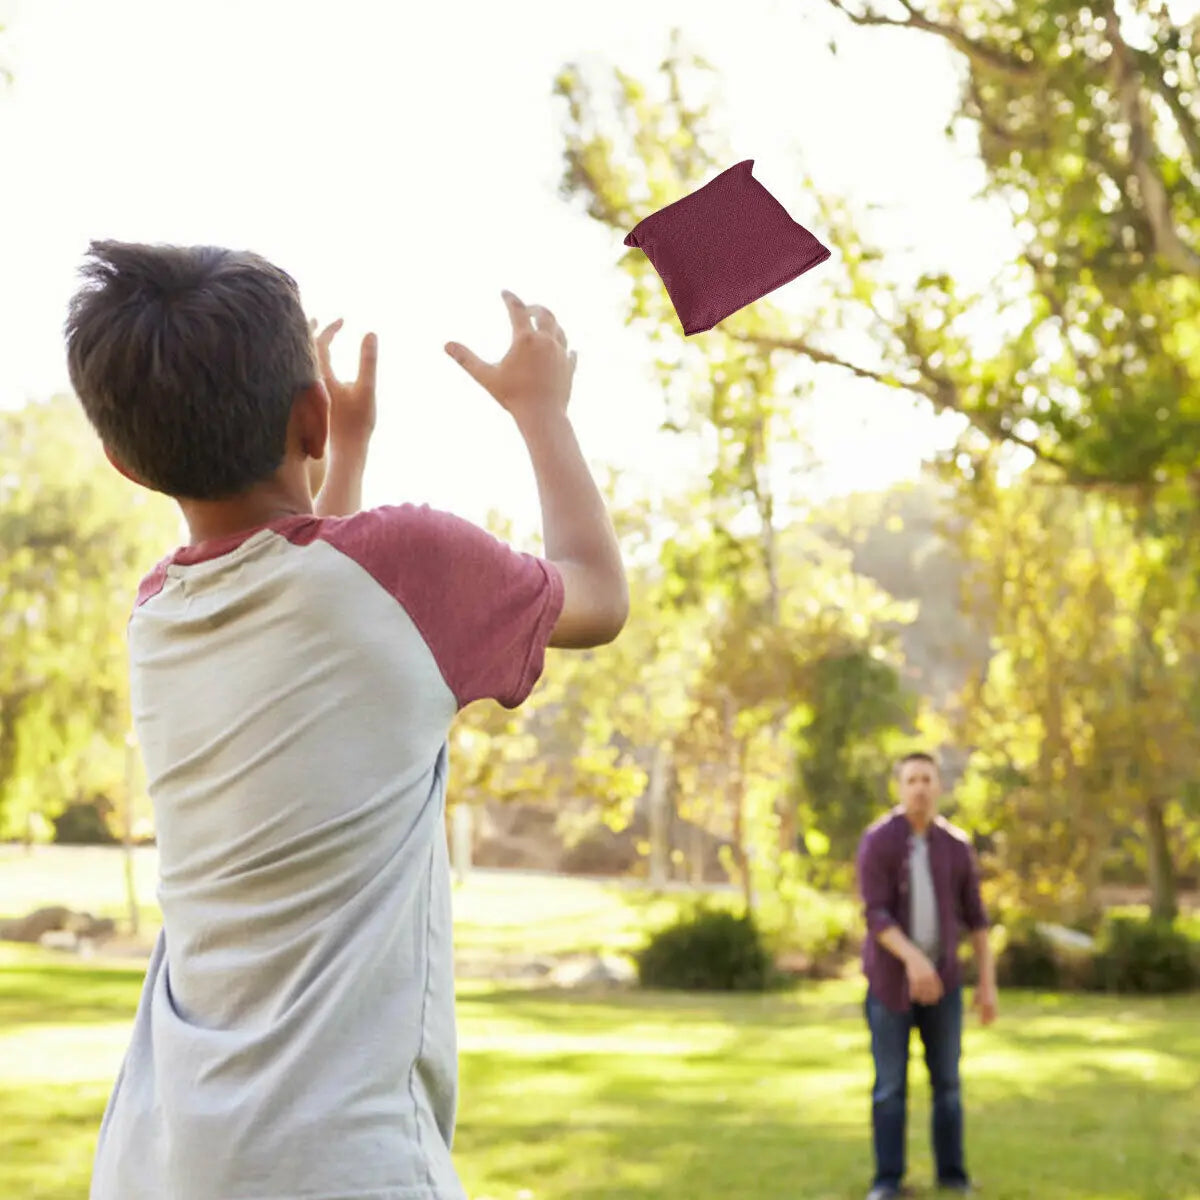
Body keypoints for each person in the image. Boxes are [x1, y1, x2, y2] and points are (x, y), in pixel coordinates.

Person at [65, 240, 629, 1200]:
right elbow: (600, 595)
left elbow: (322, 597)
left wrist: (345, 447)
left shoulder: (157, 613)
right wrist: (541, 411)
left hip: (157, 1159)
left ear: (123, 463)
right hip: (341, 1162)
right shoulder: (407, 563)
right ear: (308, 414)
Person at [855, 751, 998, 1200]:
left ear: (939, 787)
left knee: (948, 1085)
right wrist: (914, 960)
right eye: (911, 779)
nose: (919, 787)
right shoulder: (878, 841)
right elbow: (875, 914)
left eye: (926, 779)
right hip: (889, 987)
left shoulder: (955, 846)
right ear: (899, 787)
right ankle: (887, 1182)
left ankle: (953, 1177)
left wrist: (987, 984)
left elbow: (977, 919)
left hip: (945, 987)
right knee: (890, 1088)